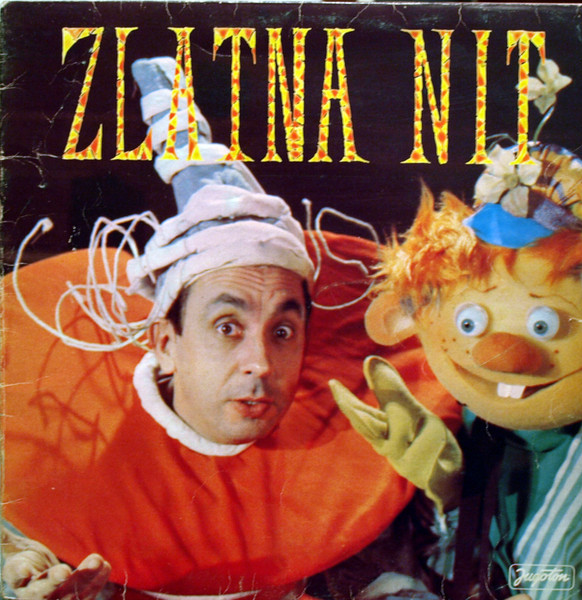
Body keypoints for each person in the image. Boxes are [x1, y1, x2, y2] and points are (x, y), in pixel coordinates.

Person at [2, 57, 460, 600]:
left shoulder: (372, 461)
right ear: (165, 343)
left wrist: (451, 497)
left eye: (283, 332)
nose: (261, 365)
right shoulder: (37, 494)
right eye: (226, 327)